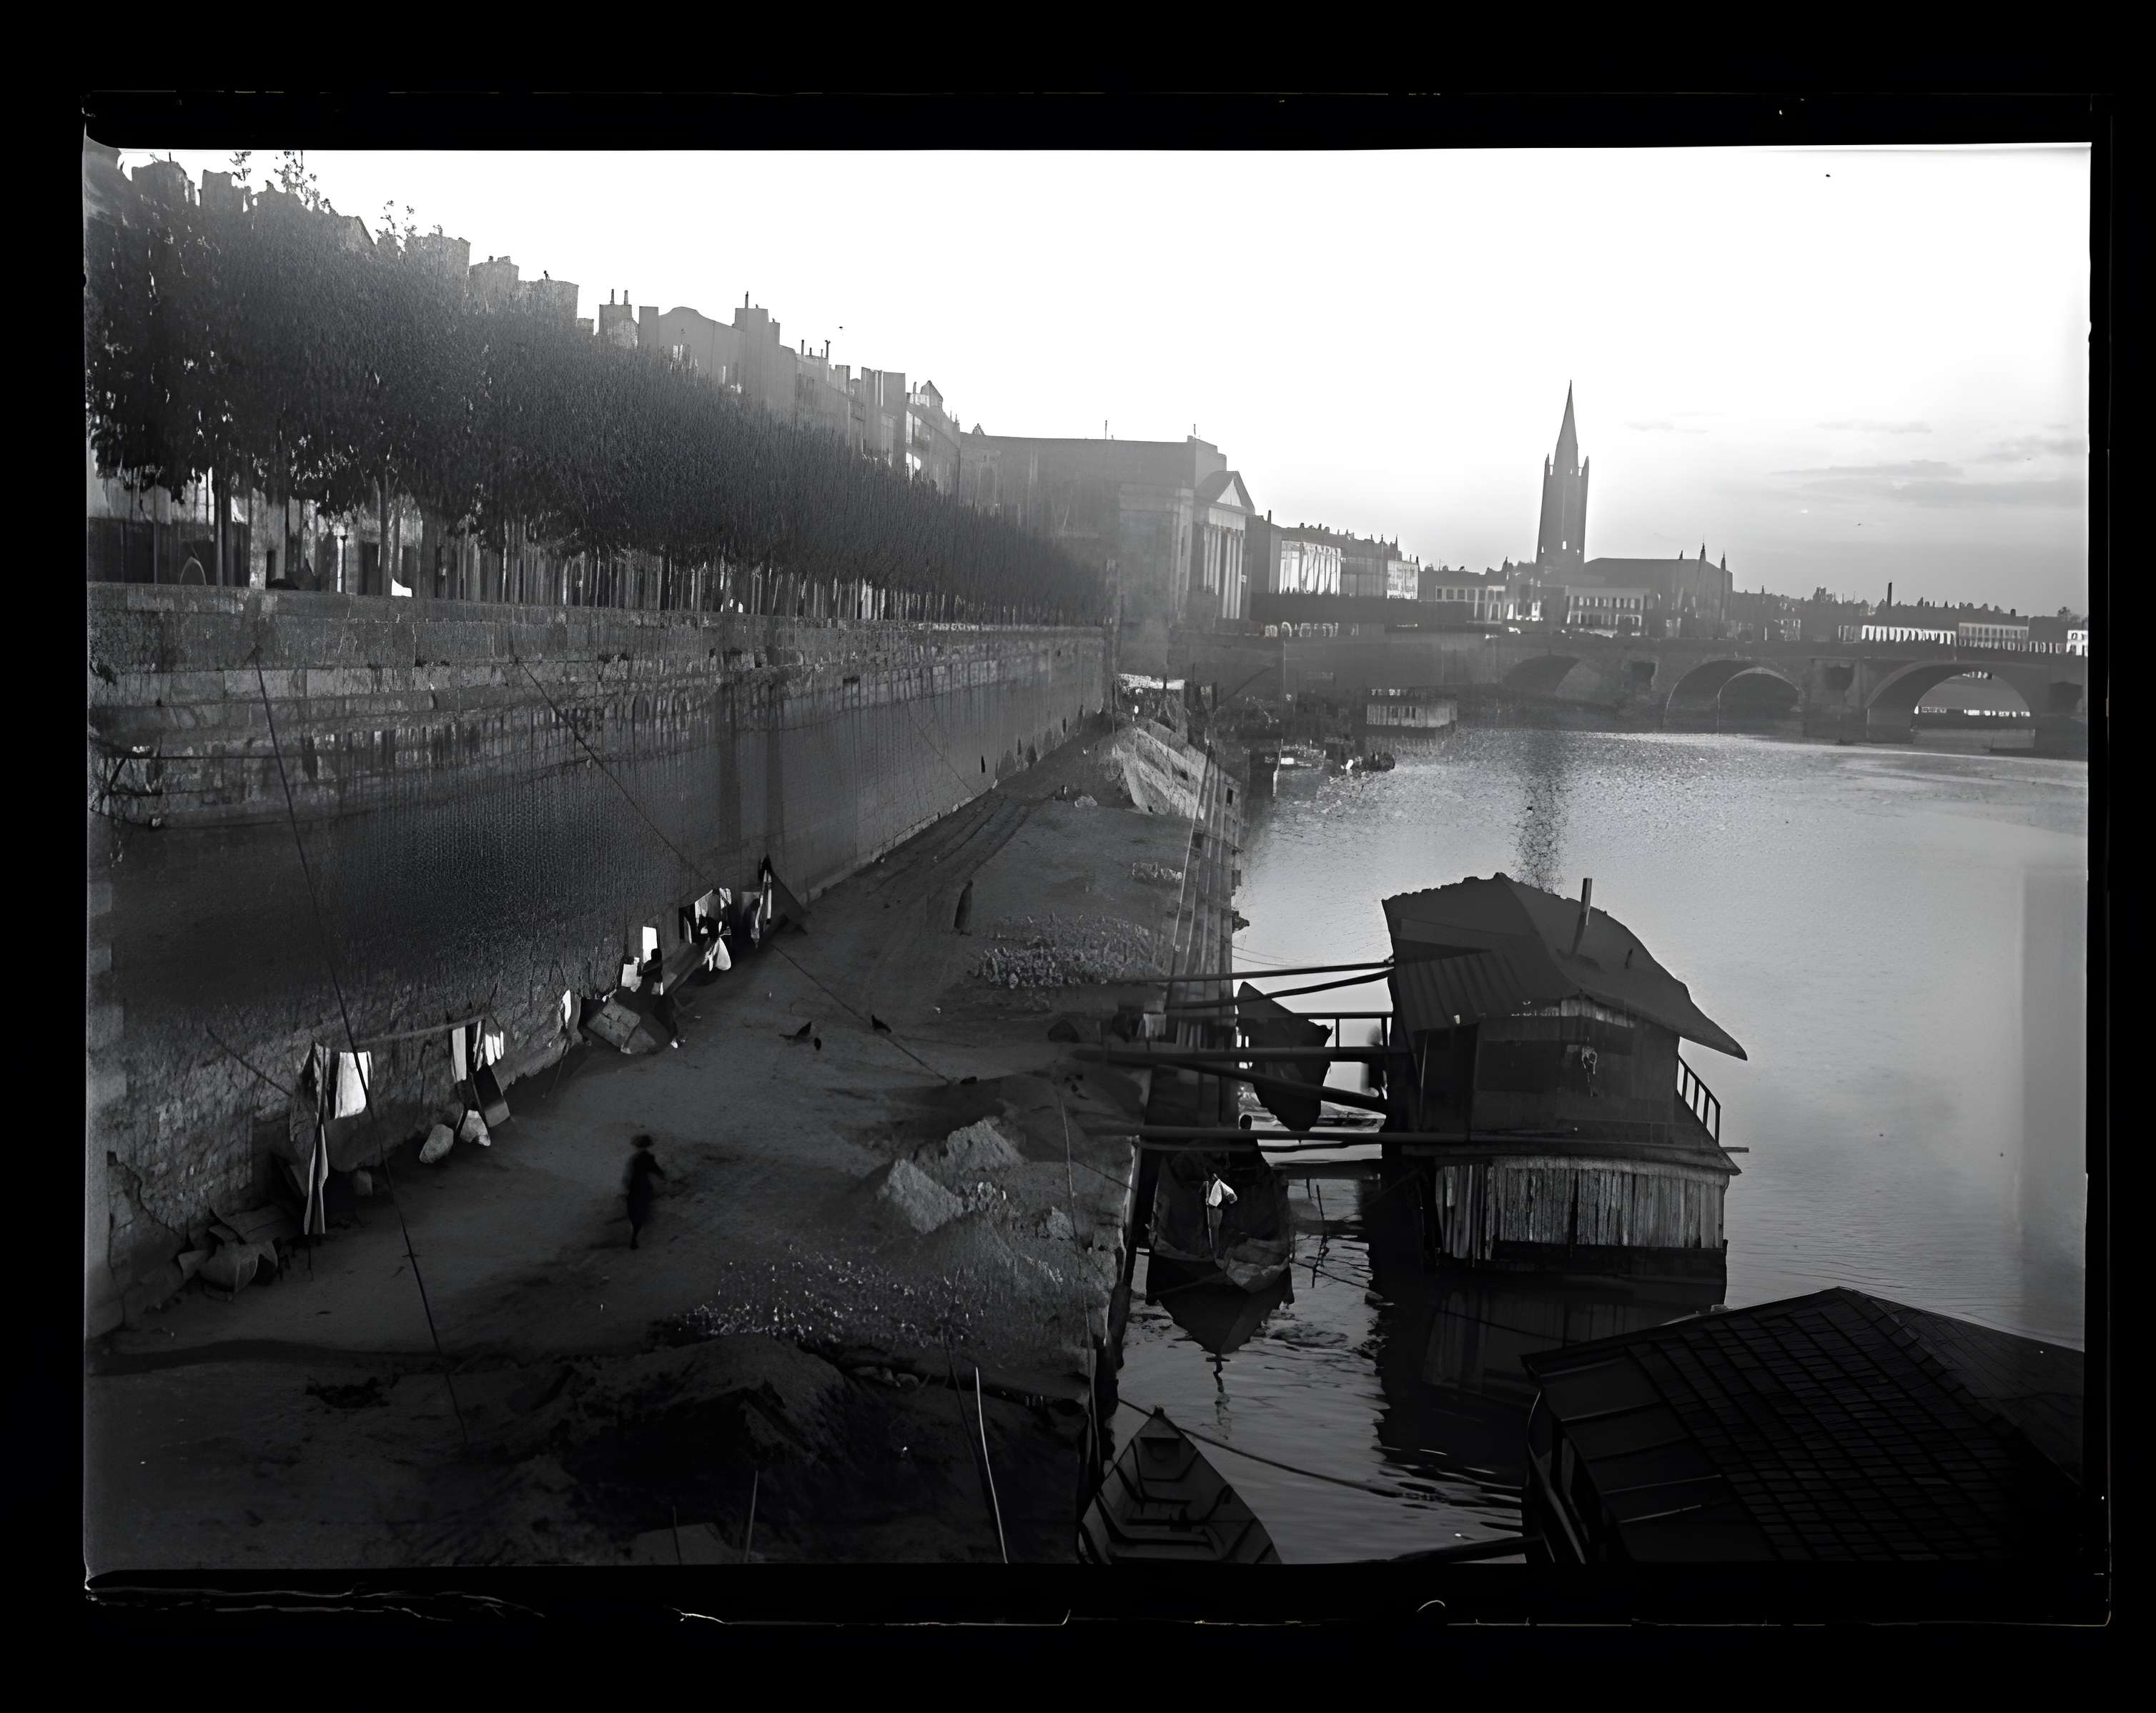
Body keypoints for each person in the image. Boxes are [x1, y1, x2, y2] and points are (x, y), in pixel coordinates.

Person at [624, 1135, 666, 1249]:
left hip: (634, 1185)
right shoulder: (649, 1157)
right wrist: (664, 1177)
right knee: (643, 1208)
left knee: (634, 1209)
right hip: (643, 1185)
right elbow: (657, 1171)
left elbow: (628, 1175)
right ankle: (635, 1235)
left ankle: (634, 1233)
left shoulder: (634, 1158)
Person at [1204, 1170, 1238, 1258]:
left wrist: (1223, 1204)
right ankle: (1215, 1252)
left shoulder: (1220, 1184)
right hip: (1210, 1208)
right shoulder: (1207, 1183)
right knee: (1212, 1229)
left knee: (1216, 1229)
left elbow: (1233, 1198)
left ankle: (1218, 1253)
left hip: (1217, 1209)